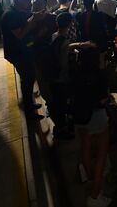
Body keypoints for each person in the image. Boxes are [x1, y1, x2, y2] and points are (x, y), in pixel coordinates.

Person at [71, 44, 111, 207]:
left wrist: (82, 45)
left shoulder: (75, 72)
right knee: (102, 154)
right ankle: (95, 195)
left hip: (80, 115)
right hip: (97, 115)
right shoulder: (100, 75)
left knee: (85, 147)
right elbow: (103, 99)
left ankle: (88, 176)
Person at [0, 0, 43, 117]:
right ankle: (29, 109)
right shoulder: (10, 15)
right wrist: (32, 21)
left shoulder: (19, 11)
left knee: (29, 78)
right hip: (17, 52)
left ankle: (29, 103)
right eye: (27, 1)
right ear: (19, 0)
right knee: (28, 78)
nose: (29, 4)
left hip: (23, 50)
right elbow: (20, 34)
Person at [46, 12, 74, 140]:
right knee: (62, 104)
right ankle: (62, 130)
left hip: (51, 75)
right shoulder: (65, 42)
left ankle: (59, 126)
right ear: (70, 24)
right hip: (61, 78)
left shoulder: (53, 36)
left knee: (56, 102)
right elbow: (64, 64)